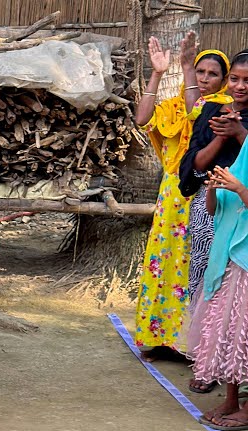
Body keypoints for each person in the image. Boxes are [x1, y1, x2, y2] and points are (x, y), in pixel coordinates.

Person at [133, 35, 230, 360]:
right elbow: (142, 119)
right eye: (199, 71)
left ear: (224, 79)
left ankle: (191, 345)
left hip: (205, 195)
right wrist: (158, 73)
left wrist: (186, 67)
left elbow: (196, 112)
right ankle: (160, 338)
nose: (204, 78)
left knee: (196, 265)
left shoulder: (222, 106)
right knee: (164, 265)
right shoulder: (174, 105)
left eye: (211, 73)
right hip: (169, 198)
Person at [178, 50, 248, 392]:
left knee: (238, 300)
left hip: (244, 216)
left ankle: (234, 373)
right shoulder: (209, 112)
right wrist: (221, 133)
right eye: (235, 79)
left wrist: (239, 132)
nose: (239, 86)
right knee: (206, 285)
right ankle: (206, 365)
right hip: (211, 207)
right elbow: (190, 170)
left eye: (246, 81)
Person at [193, 154, 248, 429]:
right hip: (230, 261)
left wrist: (239, 188)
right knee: (229, 334)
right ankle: (230, 399)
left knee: (245, 337)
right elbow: (215, 210)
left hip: (245, 262)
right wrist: (213, 188)